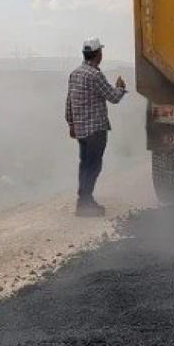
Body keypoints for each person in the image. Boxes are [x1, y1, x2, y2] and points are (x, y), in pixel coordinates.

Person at [65, 37, 127, 217]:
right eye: (101, 51)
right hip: (95, 129)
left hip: (82, 130)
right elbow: (113, 97)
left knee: (85, 164)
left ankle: (83, 200)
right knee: (93, 165)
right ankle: (85, 203)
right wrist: (121, 88)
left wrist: (71, 123)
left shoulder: (75, 73)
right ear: (97, 54)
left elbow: (69, 101)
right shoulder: (95, 75)